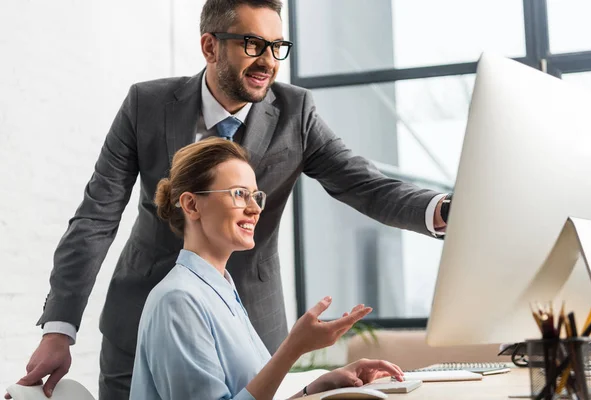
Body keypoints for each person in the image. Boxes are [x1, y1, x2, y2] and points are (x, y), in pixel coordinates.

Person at [10, 0, 449, 399]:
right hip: (143, 316)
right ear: (210, 46)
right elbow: (96, 217)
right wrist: (59, 330)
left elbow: (366, 184)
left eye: (278, 46)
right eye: (254, 44)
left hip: (249, 326)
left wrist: (444, 212)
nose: (268, 61)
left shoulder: (296, 113)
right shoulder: (147, 105)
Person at [129, 137, 404, 399]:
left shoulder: (221, 290)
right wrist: (293, 348)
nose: (255, 209)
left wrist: (321, 385)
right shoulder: (178, 300)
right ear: (191, 205)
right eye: (239, 194)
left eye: (255, 196)